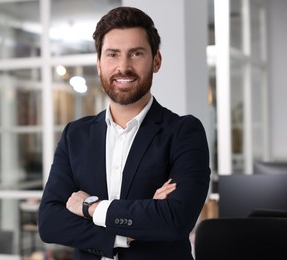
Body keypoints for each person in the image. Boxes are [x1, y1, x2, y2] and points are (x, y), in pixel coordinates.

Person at [38, 6, 211, 260]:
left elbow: (175, 220)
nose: (123, 66)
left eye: (136, 53)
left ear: (156, 61)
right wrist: (127, 232)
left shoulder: (184, 132)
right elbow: (50, 221)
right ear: (98, 65)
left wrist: (90, 208)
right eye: (112, 55)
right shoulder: (75, 135)